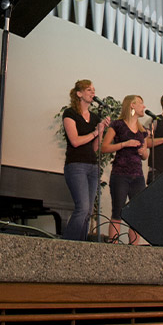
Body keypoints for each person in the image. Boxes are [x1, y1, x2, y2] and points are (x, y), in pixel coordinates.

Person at [61, 79, 110, 240]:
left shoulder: (95, 117)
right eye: (88, 89)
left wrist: (101, 130)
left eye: (93, 90)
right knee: (82, 208)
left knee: (89, 211)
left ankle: (81, 248)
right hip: (76, 166)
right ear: (79, 93)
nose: (92, 92)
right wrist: (95, 132)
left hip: (92, 166)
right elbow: (75, 141)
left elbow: (95, 147)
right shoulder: (70, 113)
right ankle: (69, 244)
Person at [101, 94, 149, 244]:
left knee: (137, 213)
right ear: (132, 105)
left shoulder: (143, 131)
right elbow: (104, 147)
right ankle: (113, 244)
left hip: (138, 176)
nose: (144, 106)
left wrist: (143, 153)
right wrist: (124, 144)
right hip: (120, 174)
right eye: (141, 103)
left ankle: (133, 248)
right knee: (118, 210)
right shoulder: (117, 125)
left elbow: (146, 154)